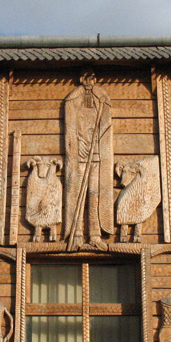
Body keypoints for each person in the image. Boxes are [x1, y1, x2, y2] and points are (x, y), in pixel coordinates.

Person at [63, 68, 113, 250]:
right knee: (78, 193)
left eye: (92, 78)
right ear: (81, 79)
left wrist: (99, 142)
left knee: (95, 194)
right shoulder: (73, 99)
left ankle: (94, 234)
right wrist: (78, 143)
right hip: (79, 155)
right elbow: (70, 127)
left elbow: (106, 126)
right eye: (86, 77)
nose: (89, 81)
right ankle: (76, 234)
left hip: (98, 154)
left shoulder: (102, 99)